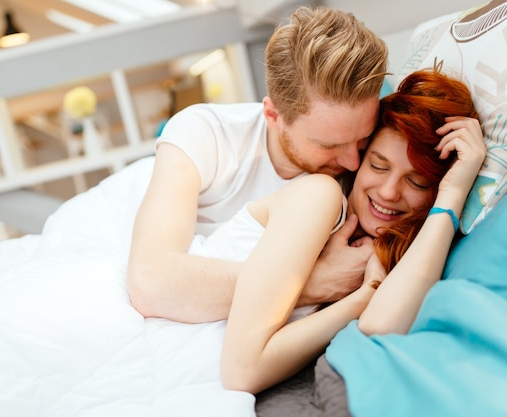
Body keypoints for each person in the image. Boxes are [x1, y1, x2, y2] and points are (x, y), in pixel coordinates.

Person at [217, 67, 486, 394]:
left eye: (416, 181)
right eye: (377, 165)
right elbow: (242, 371)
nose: (388, 192)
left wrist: (453, 196)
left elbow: (381, 323)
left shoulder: (391, 251)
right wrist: (358, 293)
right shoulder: (319, 197)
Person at [127, 6, 389, 323]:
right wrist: (315, 283)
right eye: (328, 145)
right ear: (272, 115)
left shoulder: (375, 161)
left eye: (363, 139)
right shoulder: (207, 134)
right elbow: (153, 284)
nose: (353, 162)